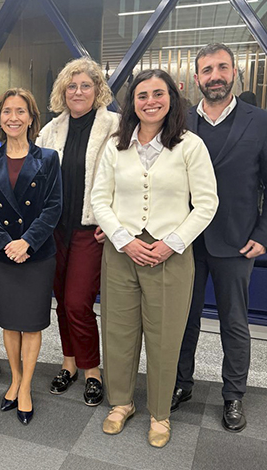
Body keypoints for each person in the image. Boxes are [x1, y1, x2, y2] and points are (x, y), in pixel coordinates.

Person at [91, 69, 218, 447]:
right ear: (132, 103)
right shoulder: (116, 146)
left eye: (158, 94)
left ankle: (160, 413)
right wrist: (124, 240)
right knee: (118, 331)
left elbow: (206, 203)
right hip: (121, 252)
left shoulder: (190, 145)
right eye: (142, 95)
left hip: (170, 255)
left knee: (165, 336)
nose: (150, 101)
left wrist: (172, 243)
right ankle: (121, 402)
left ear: (171, 98)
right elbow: (100, 200)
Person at [173, 44, 267, 433]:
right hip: (186, 240)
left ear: (234, 72)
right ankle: (181, 384)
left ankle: (233, 395)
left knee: (233, 323)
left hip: (237, 242)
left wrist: (263, 233)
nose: (215, 76)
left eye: (222, 67)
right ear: (197, 78)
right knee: (183, 319)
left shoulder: (260, 122)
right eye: (208, 70)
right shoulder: (178, 121)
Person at [0, 88, 61, 425]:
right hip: (2, 255)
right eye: (7, 111)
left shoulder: (48, 159)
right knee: (10, 322)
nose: (13, 117)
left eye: (20, 111)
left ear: (31, 118)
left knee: (32, 323)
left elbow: (53, 207)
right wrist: (5, 244)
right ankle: (14, 378)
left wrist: (26, 242)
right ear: (0, 119)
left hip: (37, 254)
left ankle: (25, 388)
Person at [36, 57, 119, 405]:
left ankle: (92, 370)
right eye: (72, 86)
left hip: (91, 230)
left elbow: (126, 179)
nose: (78, 92)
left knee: (77, 303)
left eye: (86, 85)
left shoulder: (115, 126)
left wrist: (113, 222)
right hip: (55, 230)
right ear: (63, 91)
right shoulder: (50, 130)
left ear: (98, 90)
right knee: (61, 302)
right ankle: (68, 363)